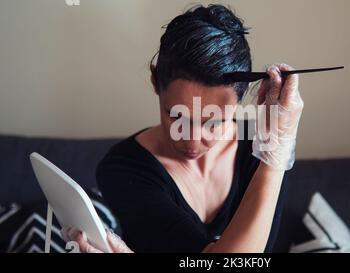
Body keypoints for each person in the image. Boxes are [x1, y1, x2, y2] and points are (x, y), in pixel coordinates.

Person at [63, 4, 303, 253]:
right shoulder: (123, 168)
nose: (192, 142)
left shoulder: (259, 145)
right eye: (177, 117)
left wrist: (274, 149)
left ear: (240, 103)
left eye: (213, 121)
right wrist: (276, 153)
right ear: (156, 83)